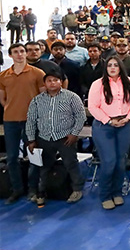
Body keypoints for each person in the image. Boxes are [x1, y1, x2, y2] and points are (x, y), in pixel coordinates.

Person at [26, 71, 86, 207]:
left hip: (65, 138)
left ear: (61, 82)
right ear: (45, 84)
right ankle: (42, 191)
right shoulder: (37, 100)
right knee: (44, 166)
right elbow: (31, 120)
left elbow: (80, 116)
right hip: (44, 138)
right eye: (49, 81)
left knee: (71, 164)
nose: (52, 83)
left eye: (55, 80)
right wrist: (31, 139)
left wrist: (74, 134)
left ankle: (77, 189)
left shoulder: (71, 97)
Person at [87, 56, 130, 210]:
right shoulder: (98, 84)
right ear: (105, 68)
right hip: (104, 126)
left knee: (121, 162)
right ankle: (105, 194)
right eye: (110, 65)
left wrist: (128, 118)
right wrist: (109, 120)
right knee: (109, 162)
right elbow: (93, 107)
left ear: (121, 66)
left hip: (125, 125)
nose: (113, 68)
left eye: (116, 65)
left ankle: (117, 192)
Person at [0, 43, 44, 204]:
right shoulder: (4, 76)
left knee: (33, 155)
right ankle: (17, 189)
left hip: (31, 121)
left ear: (25, 54)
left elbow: (43, 97)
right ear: (10, 55)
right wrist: (12, 109)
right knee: (11, 157)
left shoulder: (37, 73)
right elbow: (2, 99)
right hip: (10, 121)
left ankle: (33, 188)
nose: (19, 54)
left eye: (22, 51)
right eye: (16, 52)